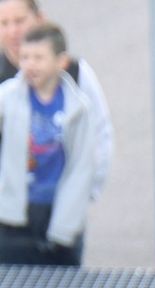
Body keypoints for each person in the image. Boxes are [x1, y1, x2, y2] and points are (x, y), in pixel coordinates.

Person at [0, 0, 109, 231]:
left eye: (19, 21)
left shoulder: (75, 73)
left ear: (40, 19)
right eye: (4, 23)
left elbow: (100, 135)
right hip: (8, 219)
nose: (12, 31)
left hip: (62, 214)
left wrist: (82, 196)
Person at [0, 22, 93, 266]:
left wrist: (66, 226)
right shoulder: (8, 99)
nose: (30, 65)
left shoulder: (78, 107)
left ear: (61, 61)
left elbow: (82, 165)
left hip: (58, 215)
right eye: (25, 57)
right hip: (14, 219)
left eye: (39, 58)